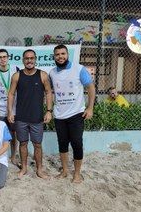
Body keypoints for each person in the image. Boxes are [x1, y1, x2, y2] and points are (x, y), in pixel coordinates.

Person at [49, 44, 95, 184]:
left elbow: (91, 88)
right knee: (62, 144)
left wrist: (90, 108)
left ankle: (77, 174)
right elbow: (50, 92)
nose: (60, 56)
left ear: (67, 55)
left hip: (76, 114)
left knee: (76, 144)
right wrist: (50, 110)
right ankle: (65, 171)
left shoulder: (79, 69)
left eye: (63, 53)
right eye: (57, 54)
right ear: (54, 57)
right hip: (60, 115)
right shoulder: (52, 73)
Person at [7, 49, 53, 179]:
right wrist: (10, 112)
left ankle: (39, 170)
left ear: (35, 59)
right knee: (23, 143)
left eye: (31, 58)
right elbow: (11, 94)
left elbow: (49, 93)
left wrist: (49, 111)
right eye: (27, 58)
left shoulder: (43, 75)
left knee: (37, 144)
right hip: (21, 117)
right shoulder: (16, 76)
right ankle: (24, 168)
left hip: (37, 118)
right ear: (23, 60)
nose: (29, 60)